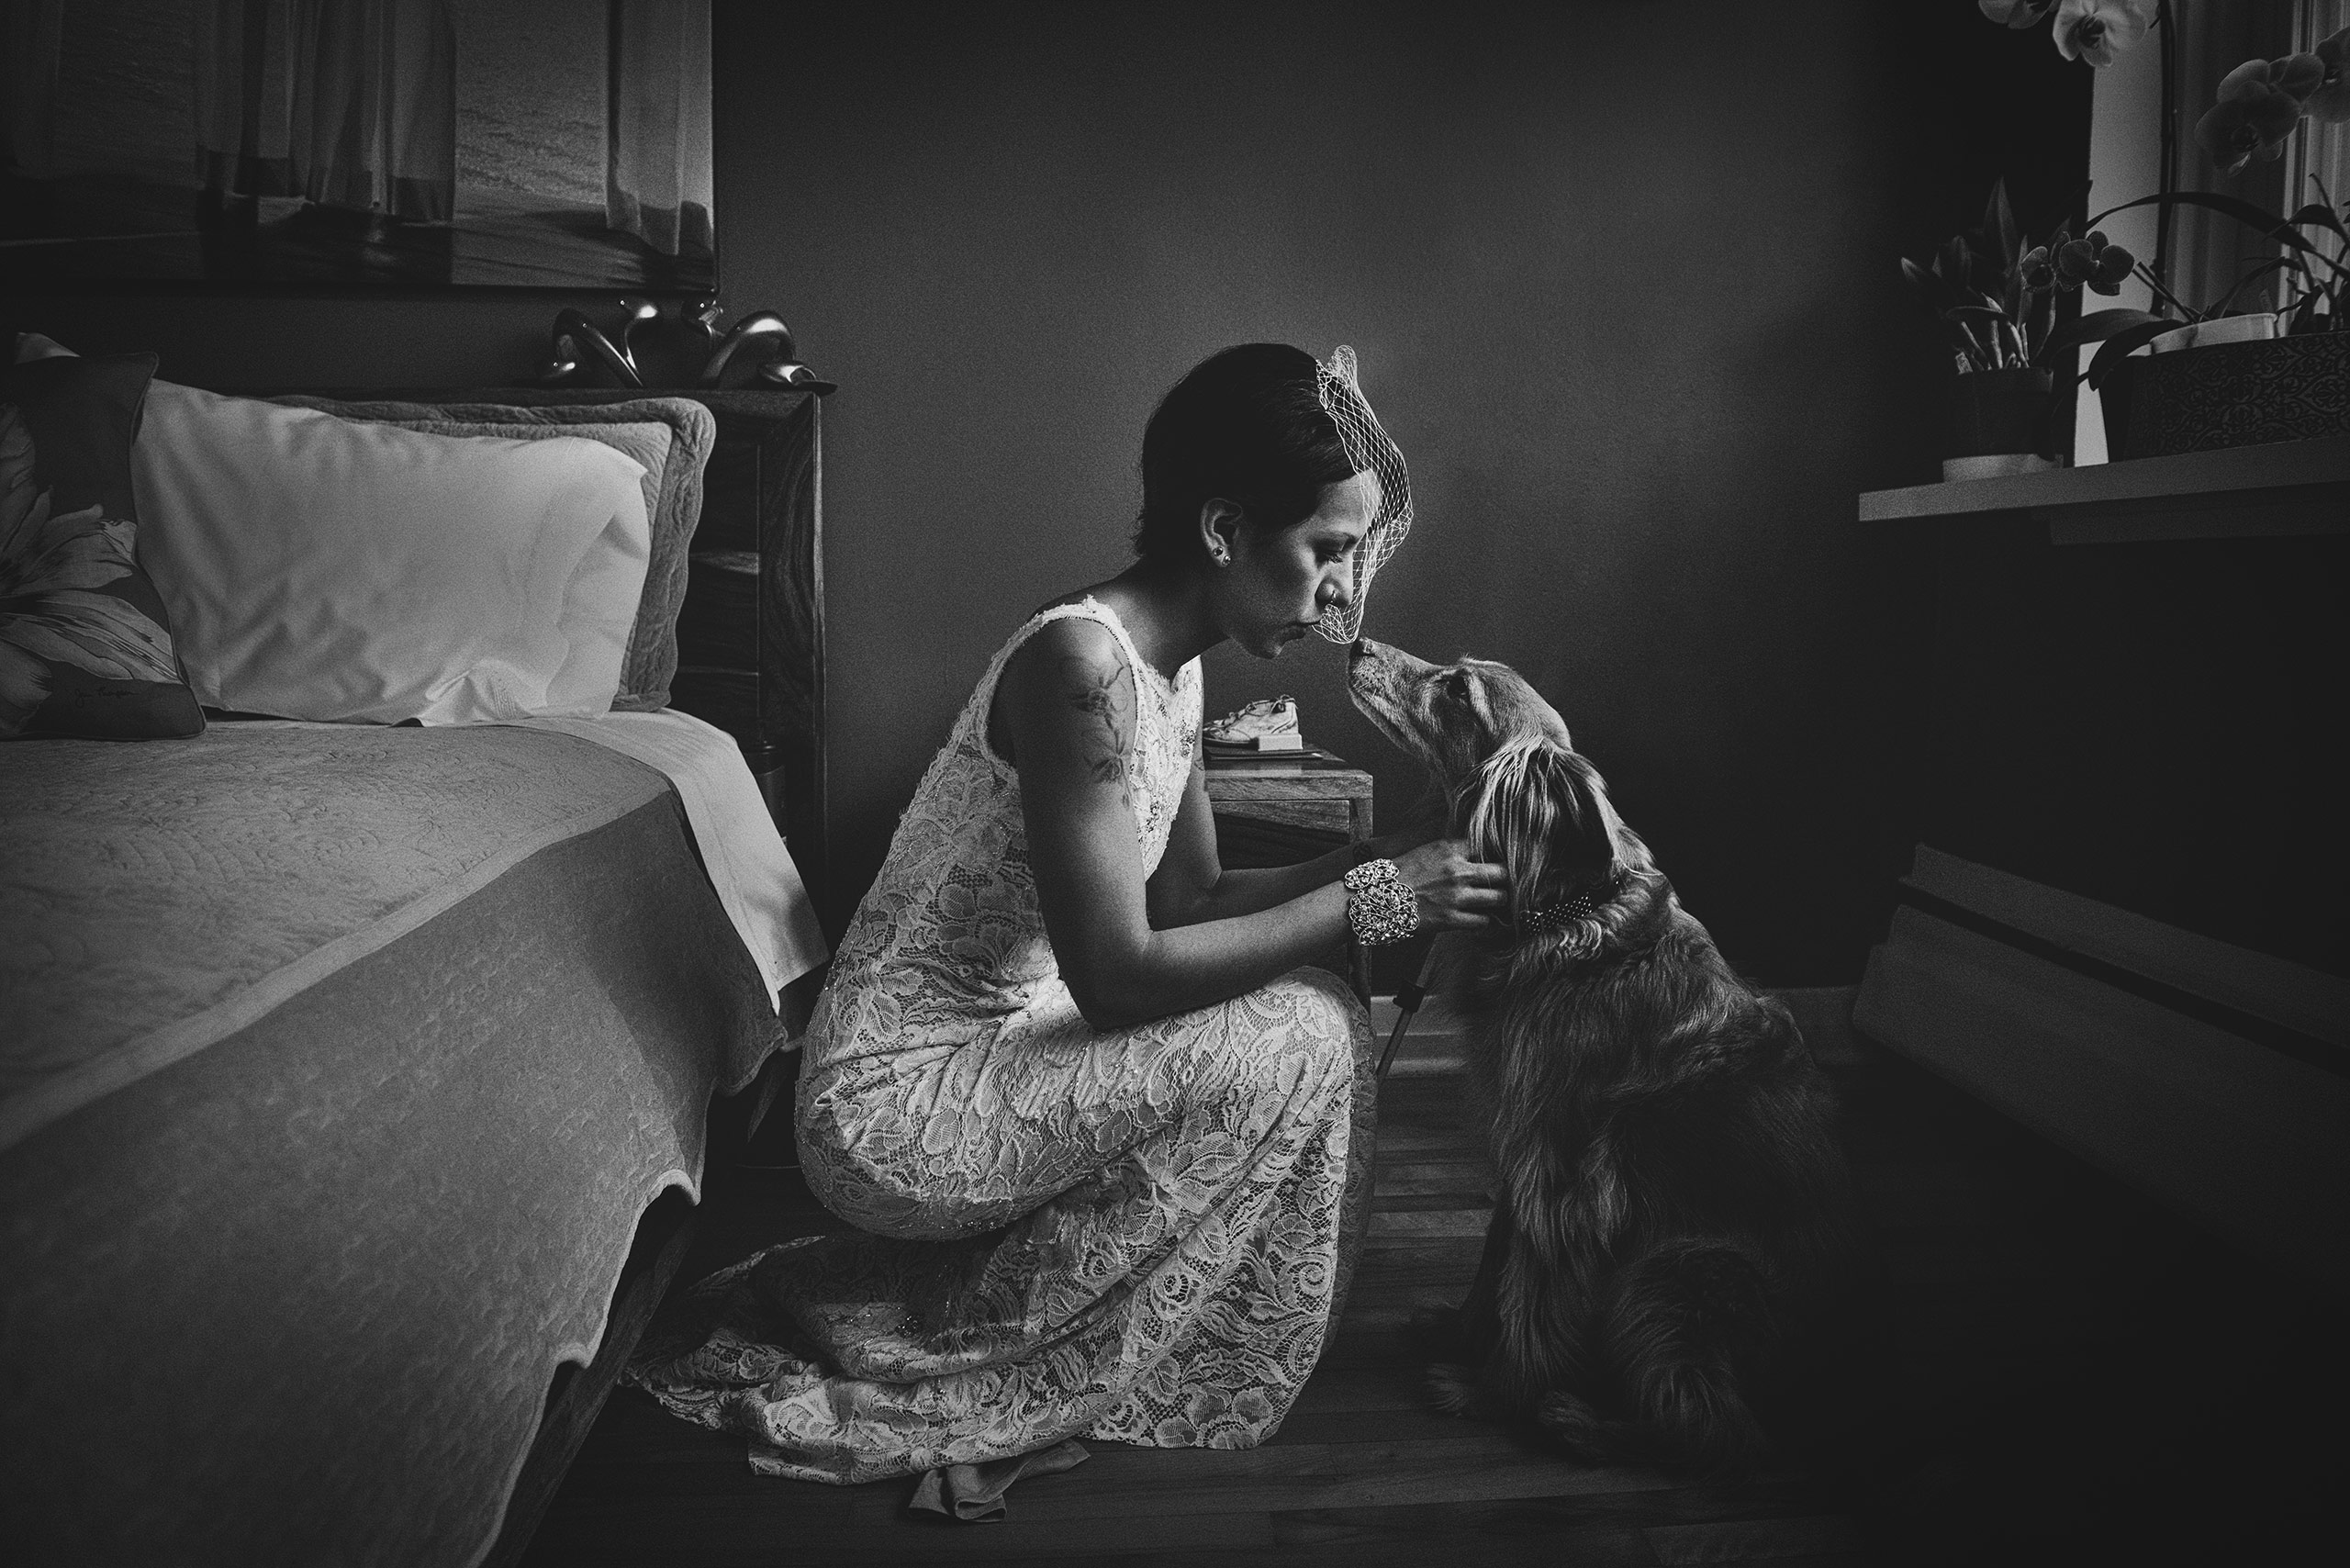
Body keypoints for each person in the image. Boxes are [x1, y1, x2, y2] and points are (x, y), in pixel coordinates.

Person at [629, 342, 1505, 1484]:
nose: (1343, 595)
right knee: (1305, 1027)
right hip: (900, 1091)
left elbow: (1190, 898)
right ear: (1226, 526)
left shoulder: (1172, 662)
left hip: (1019, 1034)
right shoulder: (1081, 666)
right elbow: (1120, 974)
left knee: (1313, 1011)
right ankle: (1050, 1344)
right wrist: (1378, 899)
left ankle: (1114, 1315)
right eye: (1326, 550)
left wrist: (1382, 858)